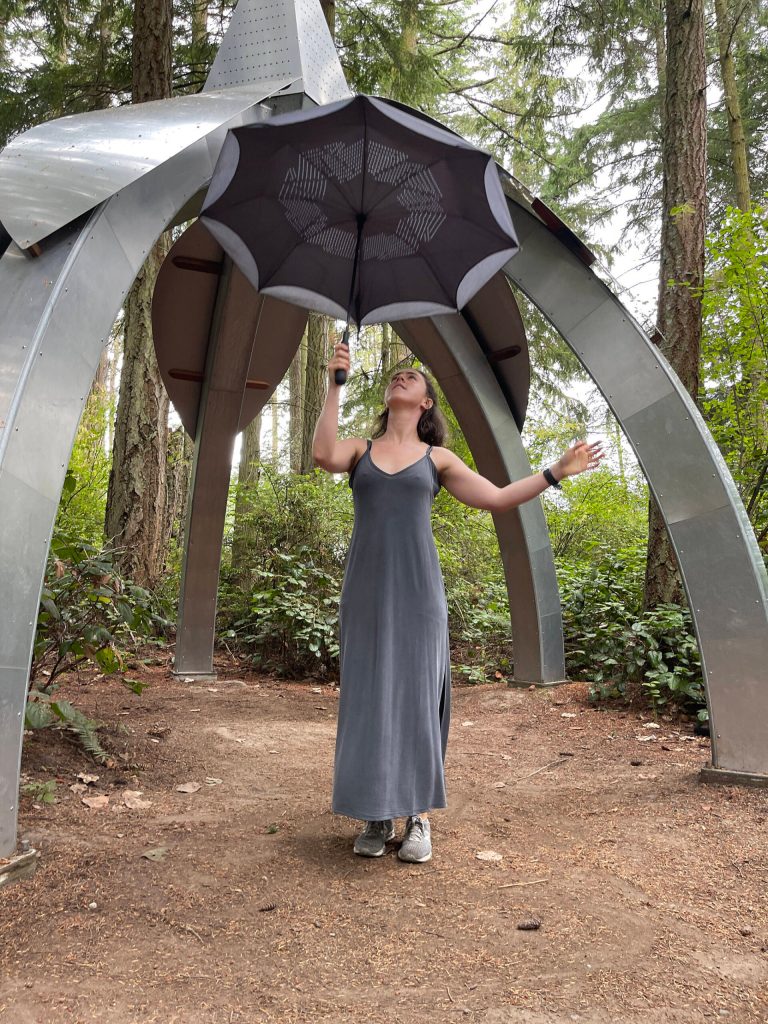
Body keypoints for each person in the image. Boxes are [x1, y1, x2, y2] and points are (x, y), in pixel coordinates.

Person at [312, 342, 604, 863]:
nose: (402, 378)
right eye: (396, 375)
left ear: (426, 404)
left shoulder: (437, 458)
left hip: (420, 595)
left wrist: (556, 472)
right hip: (366, 593)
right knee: (369, 697)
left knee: (420, 699)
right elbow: (321, 454)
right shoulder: (358, 449)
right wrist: (335, 384)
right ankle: (376, 812)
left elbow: (495, 498)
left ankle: (418, 815)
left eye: (413, 377)